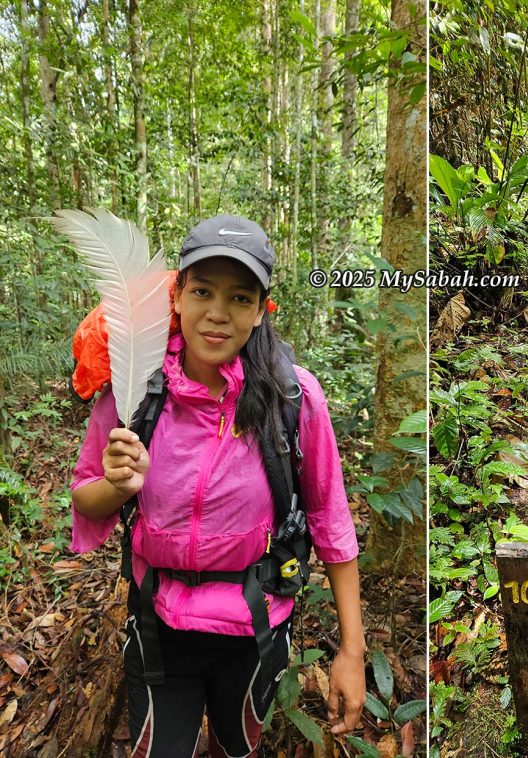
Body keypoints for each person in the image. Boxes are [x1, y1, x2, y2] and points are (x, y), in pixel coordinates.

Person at [69, 215, 366, 756]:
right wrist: (117, 485)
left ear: (261, 310)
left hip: (254, 629)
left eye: (240, 298)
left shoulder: (292, 399)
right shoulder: (134, 395)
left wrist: (352, 651)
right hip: (159, 626)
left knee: (238, 747)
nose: (218, 313)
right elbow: (86, 499)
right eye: (203, 291)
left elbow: (331, 521)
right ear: (177, 295)